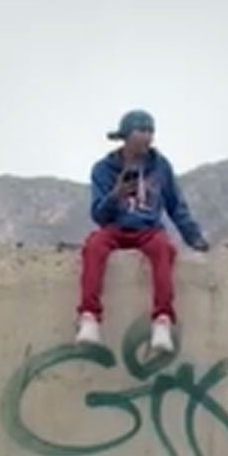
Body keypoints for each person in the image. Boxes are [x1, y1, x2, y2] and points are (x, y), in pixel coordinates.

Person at [76, 109, 207, 351]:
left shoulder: (160, 166)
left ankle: (162, 320)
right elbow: (98, 215)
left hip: (148, 229)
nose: (147, 137)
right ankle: (89, 317)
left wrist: (194, 237)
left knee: (164, 249)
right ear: (126, 135)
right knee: (94, 247)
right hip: (115, 228)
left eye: (150, 131)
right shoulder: (103, 169)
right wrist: (115, 195)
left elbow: (175, 205)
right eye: (141, 131)